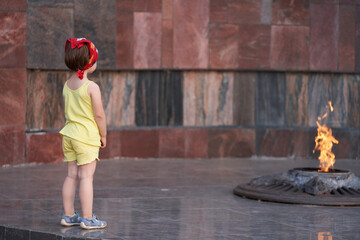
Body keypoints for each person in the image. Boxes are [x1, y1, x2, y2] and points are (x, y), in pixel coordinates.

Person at [59, 38, 107, 230]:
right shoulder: (91, 87)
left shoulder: (67, 85)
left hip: (69, 135)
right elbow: (99, 115)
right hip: (86, 137)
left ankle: (69, 215)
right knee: (87, 177)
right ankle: (87, 218)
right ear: (89, 64)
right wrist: (103, 136)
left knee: (71, 175)